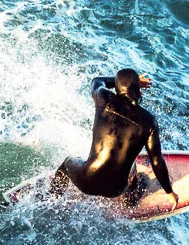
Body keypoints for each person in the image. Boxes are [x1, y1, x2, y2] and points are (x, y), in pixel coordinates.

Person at [50, 68, 179, 211]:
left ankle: (53, 197)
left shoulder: (103, 98)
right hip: (115, 190)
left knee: (67, 162)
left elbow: (97, 81)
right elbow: (156, 160)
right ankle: (130, 202)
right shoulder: (149, 121)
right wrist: (170, 192)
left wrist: (123, 82)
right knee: (134, 168)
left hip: (86, 181)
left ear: (117, 88)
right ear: (139, 92)